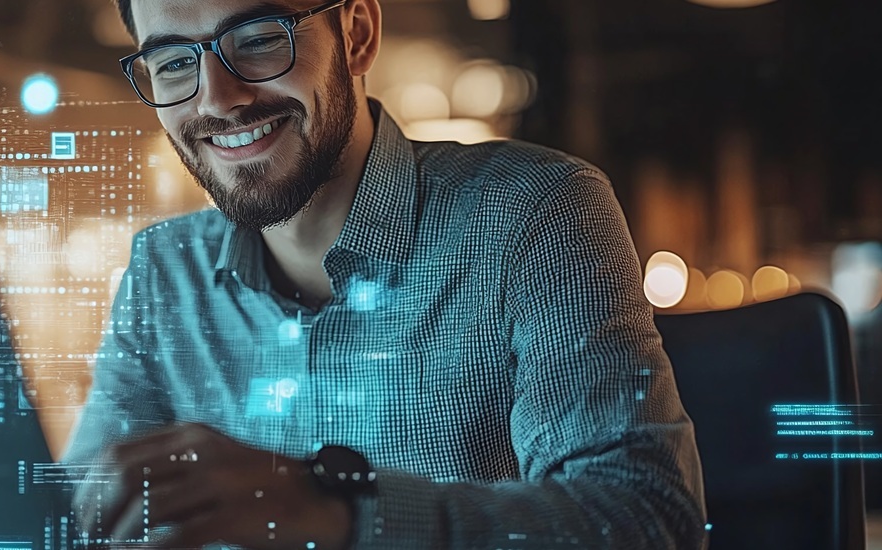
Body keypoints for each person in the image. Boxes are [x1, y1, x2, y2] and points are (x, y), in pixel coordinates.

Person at [61, 0, 707, 548]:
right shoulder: (163, 269)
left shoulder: (534, 211)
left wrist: (339, 514)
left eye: (259, 40)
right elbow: (81, 510)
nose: (219, 98)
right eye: (174, 62)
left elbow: (646, 519)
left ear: (357, 34)